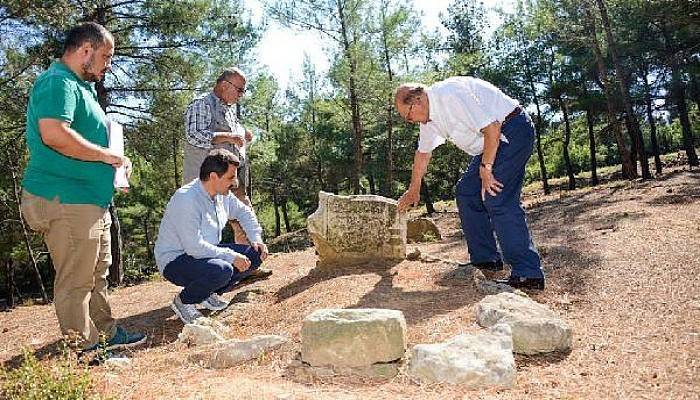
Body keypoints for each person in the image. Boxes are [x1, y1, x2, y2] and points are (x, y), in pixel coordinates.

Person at [20, 22, 147, 353]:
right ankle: (85, 350)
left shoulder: (82, 87)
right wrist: (107, 156)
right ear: (85, 50)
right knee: (75, 281)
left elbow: (92, 142)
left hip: (90, 201)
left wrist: (117, 163)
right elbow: (54, 134)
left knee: (96, 274)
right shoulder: (56, 82)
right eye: (106, 56)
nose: (108, 64)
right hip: (65, 198)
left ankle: (104, 332)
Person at [395, 77, 545, 290]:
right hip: (490, 145)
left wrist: (486, 169)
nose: (409, 121)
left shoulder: (450, 95)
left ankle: (528, 274)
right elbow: (422, 155)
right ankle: (486, 261)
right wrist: (413, 189)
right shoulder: (429, 119)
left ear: (417, 100)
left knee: (496, 196)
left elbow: (492, 128)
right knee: (467, 193)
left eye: (408, 115)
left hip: (512, 130)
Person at [155, 149, 270, 324]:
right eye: (231, 177)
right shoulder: (186, 199)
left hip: (206, 254)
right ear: (214, 176)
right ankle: (184, 301)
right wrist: (231, 256)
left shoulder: (223, 195)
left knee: (255, 254)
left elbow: (244, 212)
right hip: (176, 260)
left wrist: (256, 238)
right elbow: (194, 247)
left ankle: (208, 294)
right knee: (223, 269)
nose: (235, 182)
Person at [183, 67, 254, 246]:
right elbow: (194, 134)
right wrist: (228, 137)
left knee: (244, 217)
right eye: (239, 89)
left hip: (230, 179)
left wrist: (244, 132)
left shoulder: (229, 109)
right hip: (207, 183)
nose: (241, 95)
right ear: (224, 85)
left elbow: (233, 130)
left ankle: (250, 264)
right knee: (205, 228)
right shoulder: (201, 104)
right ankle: (201, 270)